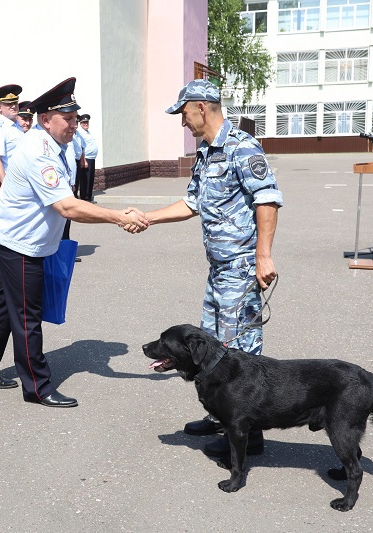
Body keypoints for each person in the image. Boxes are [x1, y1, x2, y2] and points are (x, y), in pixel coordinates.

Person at [0, 77, 148, 408]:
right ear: (46, 119)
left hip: (25, 238)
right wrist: (119, 217)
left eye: (77, 118)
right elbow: (66, 206)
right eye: (69, 119)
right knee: (26, 315)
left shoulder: (53, 145)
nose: (75, 126)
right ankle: (37, 386)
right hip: (21, 245)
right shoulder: (39, 150)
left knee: (2, 305)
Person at [141, 79, 283, 458]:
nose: (182, 122)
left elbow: (267, 198)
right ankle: (223, 414)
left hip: (240, 269)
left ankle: (248, 434)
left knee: (241, 354)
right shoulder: (207, 153)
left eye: (184, 113)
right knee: (213, 350)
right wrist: (147, 219)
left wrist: (263, 255)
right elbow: (192, 204)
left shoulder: (242, 147)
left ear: (201, 107)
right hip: (218, 271)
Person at [0, 84, 25, 219]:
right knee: (5, 221)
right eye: (8, 104)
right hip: (7, 182)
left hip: (21, 182)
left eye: (15, 103)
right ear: (0, 108)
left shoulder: (18, 127)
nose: (13, 106)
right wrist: (5, 183)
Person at [75, 114, 98, 201]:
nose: (86, 124)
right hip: (86, 158)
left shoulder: (87, 132)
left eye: (87, 122)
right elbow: (81, 147)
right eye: (84, 122)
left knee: (90, 178)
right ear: (80, 124)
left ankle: (89, 196)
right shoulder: (80, 133)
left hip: (91, 158)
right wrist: (84, 160)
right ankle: (85, 197)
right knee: (85, 179)